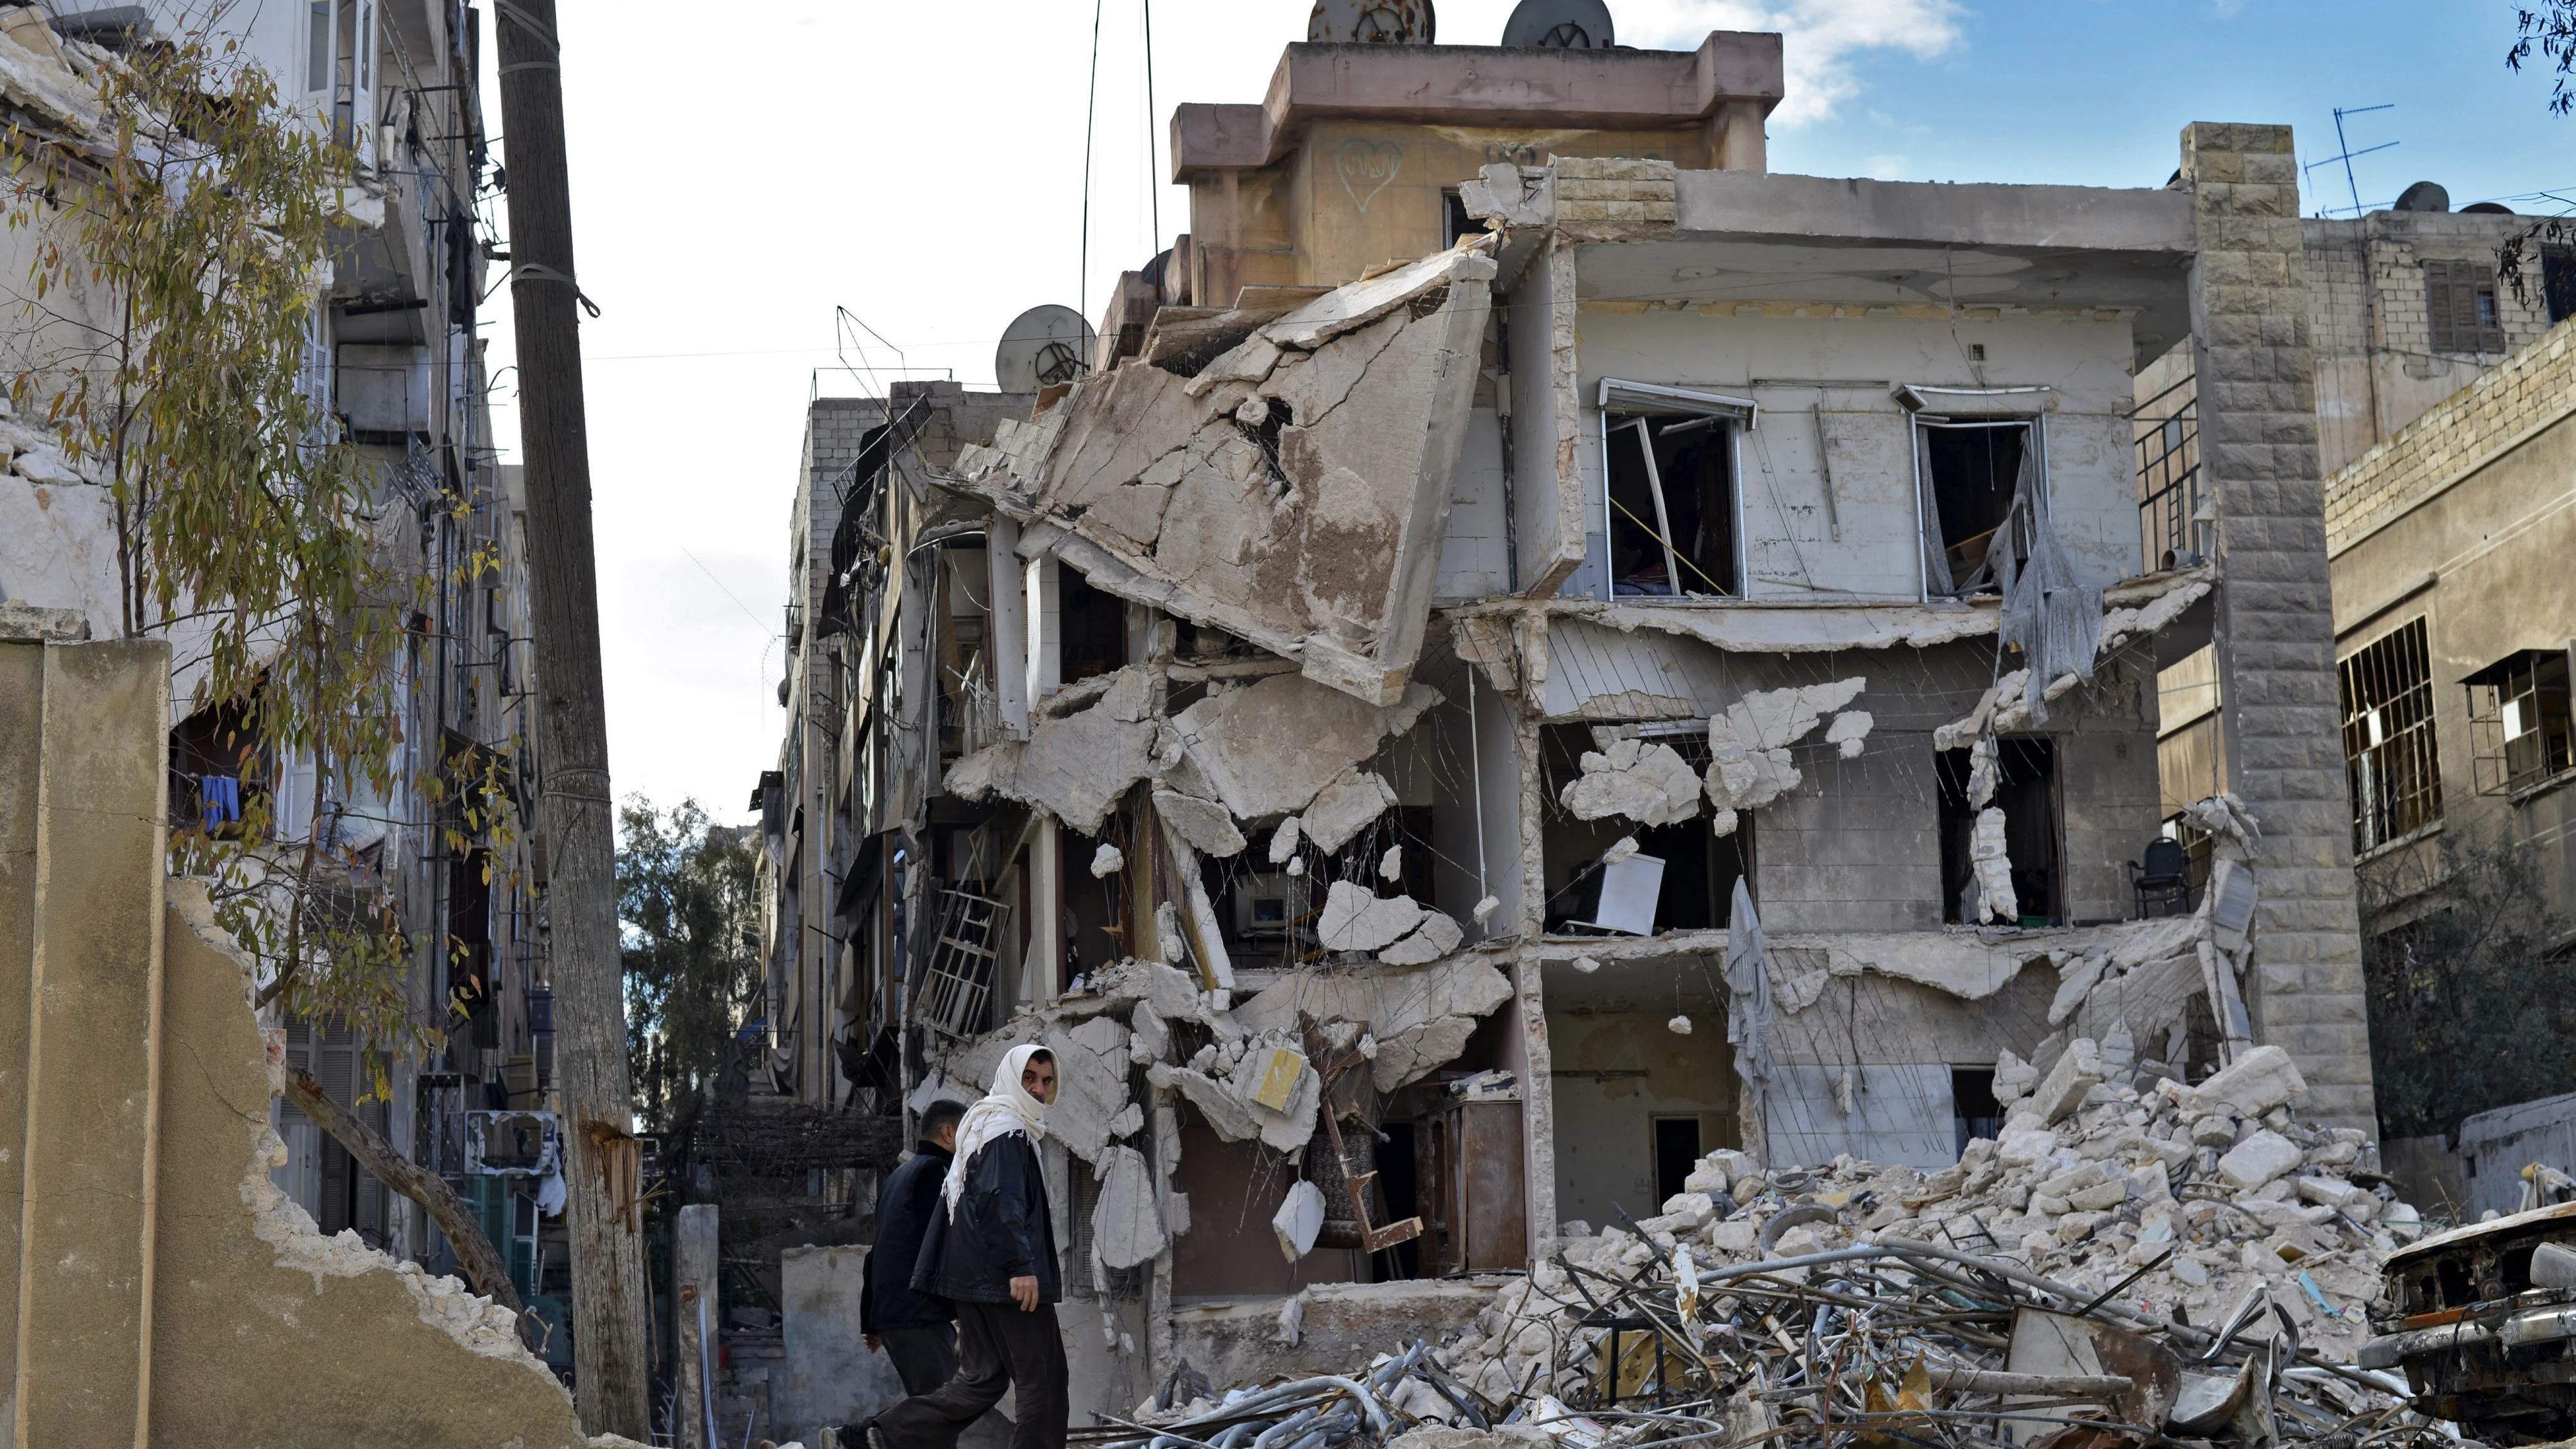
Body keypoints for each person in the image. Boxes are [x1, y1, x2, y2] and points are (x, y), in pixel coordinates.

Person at [867, 1044, 1066, 1449]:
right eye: (1029, 1078)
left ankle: (875, 1435)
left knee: (981, 1380)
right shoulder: (1006, 1129)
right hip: (1004, 1281)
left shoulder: (982, 1128)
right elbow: (999, 1199)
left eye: (1046, 1080)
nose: (1039, 1089)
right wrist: (1021, 1267)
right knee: (1043, 1380)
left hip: (974, 1286)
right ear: (1011, 1078)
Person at [860, 1098, 967, 1421]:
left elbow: (877, 1253)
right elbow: (945, 1245)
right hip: (920, 1315)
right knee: (942, 1417)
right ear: (948, 1133)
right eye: (969, 1131)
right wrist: (965, 1303)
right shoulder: (938, 1173)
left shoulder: (898, 1176)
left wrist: (872, 1320)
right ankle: (861, 1438)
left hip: (898, 1317)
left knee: (931, 1416)